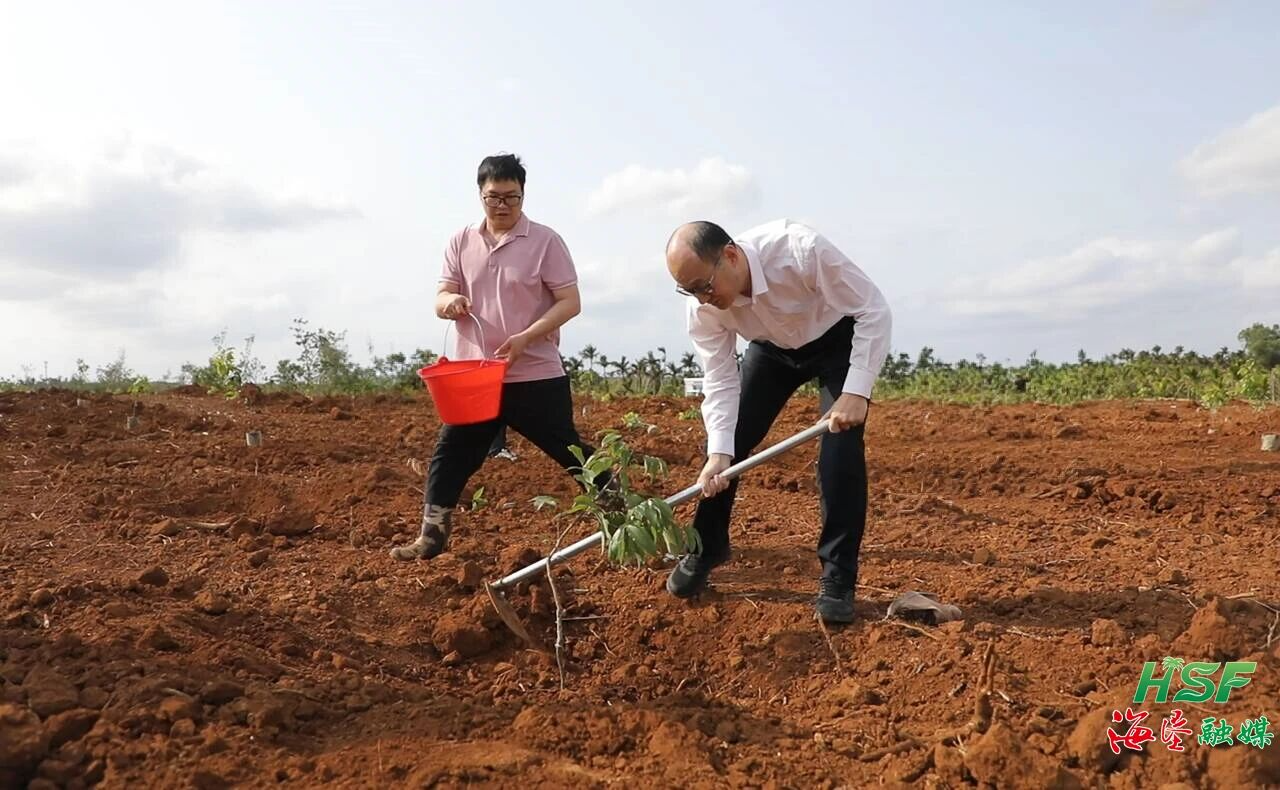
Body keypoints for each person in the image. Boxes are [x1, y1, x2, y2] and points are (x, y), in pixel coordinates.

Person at [663, 219, 892, 622]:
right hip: (771, 352)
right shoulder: (703, 307)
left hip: (838, 339)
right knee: (725, 446)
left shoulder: (799, 250)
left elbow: (873, 309)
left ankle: (838, 577)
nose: (701, 298)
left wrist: (855, 391)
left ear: (731, 256)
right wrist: (719, 453)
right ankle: (707, 547)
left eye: (704, 285)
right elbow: (719, 378)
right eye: (690, 290)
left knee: (839, 453)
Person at [391, 153, 595, 561]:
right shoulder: (461, 241)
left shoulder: (545, 241)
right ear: (480, 195)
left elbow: (570, 302)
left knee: (569, 450)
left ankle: (623, 518)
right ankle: (431, 536)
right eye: (493, 197)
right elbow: (441, 296)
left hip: (534, 371)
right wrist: (450, 303)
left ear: (523, 195)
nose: (502, 206)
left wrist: (526, 337)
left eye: (511, 197)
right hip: (476, 375)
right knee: (451, 453)